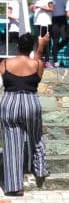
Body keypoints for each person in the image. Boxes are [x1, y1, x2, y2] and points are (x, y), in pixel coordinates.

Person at [0, 33, 51, 196]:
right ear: (31, 49)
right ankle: (41, 170)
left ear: (17, 47)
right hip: (30, 101)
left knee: (10, 144)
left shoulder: (5, 63)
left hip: (9, 102)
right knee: (36, 137)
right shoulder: (37, 64)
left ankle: (14, 187)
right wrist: (41, 48)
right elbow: (37, 68)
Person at [30, 0, 54, 68]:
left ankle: (47, 61)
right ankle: (37, 60)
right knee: (37, 41)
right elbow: (32, 8)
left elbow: (51, 9)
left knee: (46, 42)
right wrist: (32, 8)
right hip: (37, 22)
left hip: (46, 23)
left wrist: (40, 7)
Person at [48, 0, 69, 67]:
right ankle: (55, 60)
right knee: (55, 41)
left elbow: (68, 9)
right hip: (53, 20)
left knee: (66, 38)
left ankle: (54, 51)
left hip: (63, 20)